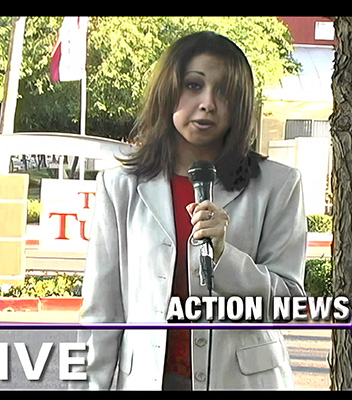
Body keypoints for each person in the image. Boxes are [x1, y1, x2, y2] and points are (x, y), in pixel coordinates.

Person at [71, 31, 306, 390]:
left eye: (224, 91)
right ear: (168, 92)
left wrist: (226, 257)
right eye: (193, 85)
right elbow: (102, 313)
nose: (208, 103)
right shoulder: (121, 187)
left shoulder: (278, 184)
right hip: (150, 380)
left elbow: (288, 306)